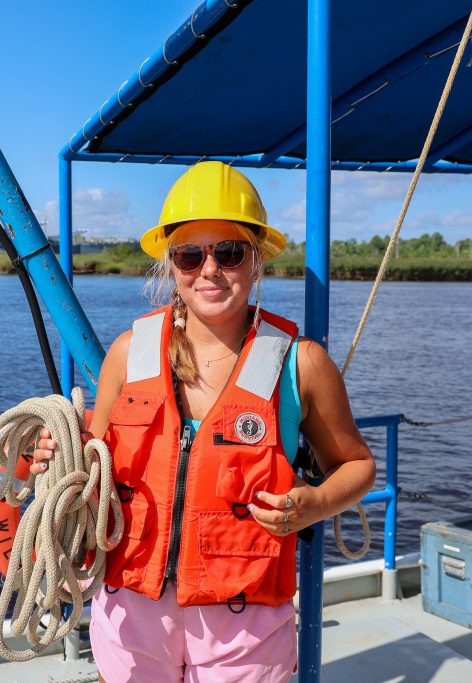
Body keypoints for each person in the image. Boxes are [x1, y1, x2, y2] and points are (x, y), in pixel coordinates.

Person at [32, 161, 375, 682]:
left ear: (256, 260)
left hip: (243, 618)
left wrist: (315, 503)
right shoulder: (129, 354)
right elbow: (90, 461)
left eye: (229, 252)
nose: (209, 270)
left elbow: (357, 466)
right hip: (131, 608)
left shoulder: (300, 364)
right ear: (171, 264)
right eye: (190, 255)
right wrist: (53, 455)